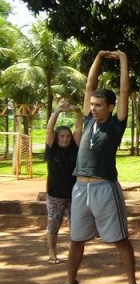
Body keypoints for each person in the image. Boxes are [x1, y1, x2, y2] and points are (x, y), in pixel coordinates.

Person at [57, 50, 140, 284]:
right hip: (80, 188)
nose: (92, 108)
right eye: (91, 104)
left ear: (111, 107)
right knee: (76, 239)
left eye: (98, 105)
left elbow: (124, 90)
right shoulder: (91, 121)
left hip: (105, 188)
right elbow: (89, 85)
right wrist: (98, 58)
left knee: (119, 240)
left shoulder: (116, 124)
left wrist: (123, 58)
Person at [44, 99, 83, 265]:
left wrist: (78, 112)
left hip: (75, 193)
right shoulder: (52, 149)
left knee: (76, 225)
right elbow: (49, 129)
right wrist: (58, 111)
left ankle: (73, 253)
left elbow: (79, 127)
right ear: (57, 137)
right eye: (62, 136)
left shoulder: (75, 146)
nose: (65, 139)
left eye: (67, 136)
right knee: (54, 224)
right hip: (55, 194)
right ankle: (52, 252)